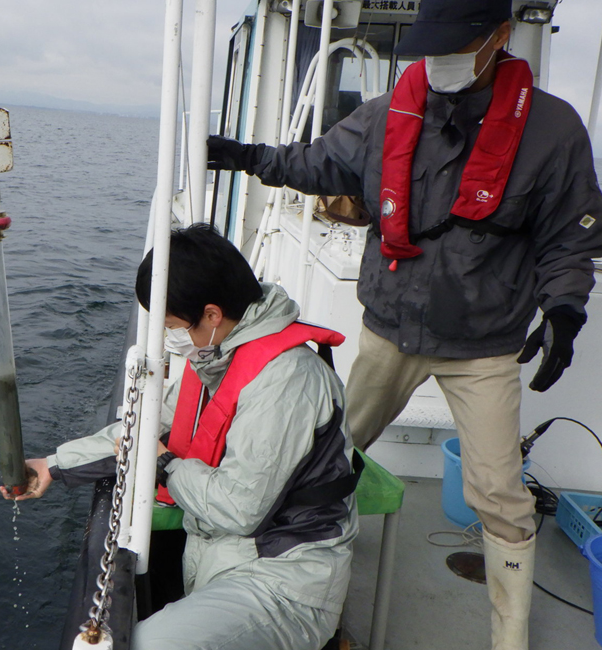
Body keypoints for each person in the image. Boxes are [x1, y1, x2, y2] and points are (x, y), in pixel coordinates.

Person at [206, 1, 602, 649]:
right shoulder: (390, 111)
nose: (437, 58)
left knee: (500, 493)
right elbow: (317, 164)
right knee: (329, 455)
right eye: (431, 45)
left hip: (483, 349)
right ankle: (301, 575)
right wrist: (245, 155)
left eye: (455, 44)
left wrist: (565, 309)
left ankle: (511, 634)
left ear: (500, 37)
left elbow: (569, 237)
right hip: (389, 331)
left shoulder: (553, 131)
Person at [2, 224, 358, 650]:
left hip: (288, 579)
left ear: (210, 314)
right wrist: (53, 466)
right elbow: (141, 428)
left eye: (173, 326)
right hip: (226, 558)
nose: (171, 340)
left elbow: (239, 509)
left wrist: (164, 465)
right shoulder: (218, 356)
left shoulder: (286, 380)